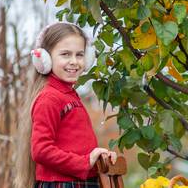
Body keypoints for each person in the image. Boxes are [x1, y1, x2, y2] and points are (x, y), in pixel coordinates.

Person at [14, 22, 117, 188]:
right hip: (62, 184)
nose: (74, 61)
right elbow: (41, 150)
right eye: (65, 54)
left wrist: (97, 157)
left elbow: (75, 143)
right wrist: (85, 161)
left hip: (79, 182)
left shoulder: (68, 95)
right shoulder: (50, 98)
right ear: (45, 59)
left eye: (80, 55)